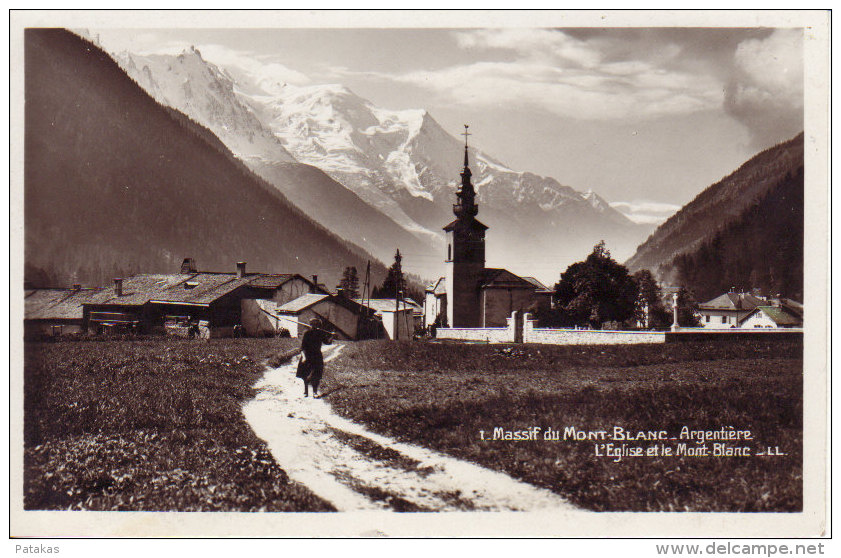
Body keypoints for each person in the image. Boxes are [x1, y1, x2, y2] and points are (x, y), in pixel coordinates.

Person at [300, 318, 333, 397]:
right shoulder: (307, 333)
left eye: (317, 325)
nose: (316, 326)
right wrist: (304, 357)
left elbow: (328, 343)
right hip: (307, 355)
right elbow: (302, 348)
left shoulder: (320, 333)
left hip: (317, 356)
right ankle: (306, 391)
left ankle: (315, 392)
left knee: (316, 374)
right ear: (311, 325)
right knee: (306, 374)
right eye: (314, 324)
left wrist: (332, 336)